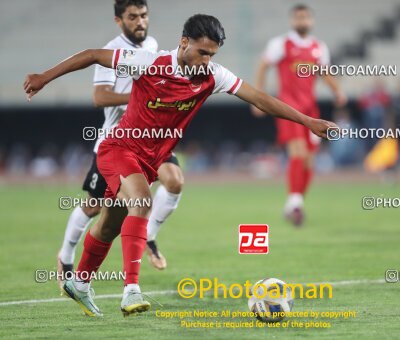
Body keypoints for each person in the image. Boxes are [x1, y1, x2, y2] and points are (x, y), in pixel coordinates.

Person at [24, 14, 336, 317]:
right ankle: (131, 289)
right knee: (142, 201)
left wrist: (308, 120)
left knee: (109, 224)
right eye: (202, 51)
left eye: (212, 54)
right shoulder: (149, 62)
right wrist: (43, 77)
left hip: (151, 159)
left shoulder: (214, 75)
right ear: (184, 42)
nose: (206, 60)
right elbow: (92, 55)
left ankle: (78, 283)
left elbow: (259, 98)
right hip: (119, 147)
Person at [57, 1, 182, 286]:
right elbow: (100, 97)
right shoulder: (111, 51)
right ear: (119, 20)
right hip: (117, 142)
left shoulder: (152, 45)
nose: (140, 21)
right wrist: (142, 100)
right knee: (94, 207)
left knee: (174, 181)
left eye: (144, 15)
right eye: (133, 17)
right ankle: (65, 255)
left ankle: (149, 235)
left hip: (150, 139)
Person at [251, 4, 347, 226]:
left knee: (309, 161)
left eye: (305, 17)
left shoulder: (318, 47)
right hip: (289, 109)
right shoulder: (281, 44)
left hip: (311, 110)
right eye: (298, 17)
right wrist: (258, 97)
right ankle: (294, 203)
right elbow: (263, 65)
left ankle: (295, 204)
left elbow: (325, 73)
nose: (302, 21)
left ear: (311, 21)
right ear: (292, 21)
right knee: (299, 152)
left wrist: (338, 91)